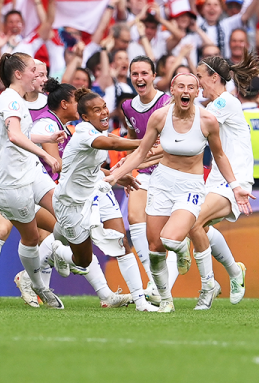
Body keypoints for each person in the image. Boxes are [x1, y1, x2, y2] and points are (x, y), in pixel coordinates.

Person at [104, 72, 251, 313]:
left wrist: (236, 186)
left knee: (172, 238)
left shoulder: (207, 120)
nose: (185, 91)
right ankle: (165, 300)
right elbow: (143, 152)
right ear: (172, 90)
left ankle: (206, 285)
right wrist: (115, 175)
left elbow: (220, 155)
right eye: (180, 86)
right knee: (155, 250)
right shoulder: (160, 117)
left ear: (196, 93)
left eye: (191, 87)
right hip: (162, 183)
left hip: (190, 186)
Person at [52, 87, 158, 312]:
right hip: (70, 204)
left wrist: (117, 177)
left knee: (122, 243)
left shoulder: (102, 133)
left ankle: (141, 303)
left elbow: (93, 167)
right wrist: (148, 141)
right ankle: (56, 252)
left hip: (97, 193)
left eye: (104, 108)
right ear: (84, 117)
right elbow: (113, 145)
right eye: (96, 110)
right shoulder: (82, 132)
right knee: (82, 261)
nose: (103, 113)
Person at [0, 52, 66, 309]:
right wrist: (45, 153)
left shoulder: (18, 100)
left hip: (30, 172)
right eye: (33, 69)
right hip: (11, 184)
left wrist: (47, 139)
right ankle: (36, 284)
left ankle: (64, 257)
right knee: (31, 239)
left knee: (65, 213)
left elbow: (24, 133)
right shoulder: (10, 100)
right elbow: (14, 135)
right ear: (19, 74)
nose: (38, 74)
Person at [189, 54, 259, 310]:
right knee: (199, 227)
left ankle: (207, 287)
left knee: (193, 221)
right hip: (216, 179)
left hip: (236, 181)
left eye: (199, 76)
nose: (197, 82)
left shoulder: (225, 103)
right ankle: (235, 272)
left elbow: (193, 126)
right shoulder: (213, 105)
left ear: (214, 77)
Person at [120, 55, 174, 302]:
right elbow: (134, 140)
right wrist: (130, 163)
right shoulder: (128, 106)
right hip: (144, 172)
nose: (139, 78)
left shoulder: (167, 103)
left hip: (170, 172)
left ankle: (210, 281)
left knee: (168, 235)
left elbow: (172, 143)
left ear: (154, 76)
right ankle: (154, 282)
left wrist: (139, 160)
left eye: (144, 73)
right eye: (135, 74)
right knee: (133, 217)